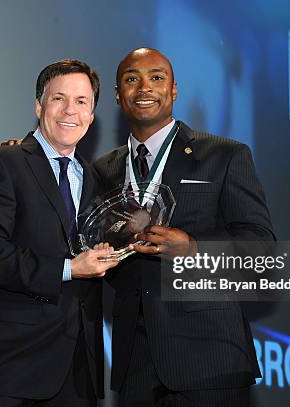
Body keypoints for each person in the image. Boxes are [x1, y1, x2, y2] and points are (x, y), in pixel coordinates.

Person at [93, 48, 275, 406]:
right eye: (132, 79)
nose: (144, 87)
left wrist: (194, 249)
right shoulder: (101, 171)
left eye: (156, 77)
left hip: (211, 357)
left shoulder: (225, 154)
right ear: (118, 95)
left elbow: (262, 250)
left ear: (173, 90)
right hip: (135, 363)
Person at [0, 59, 118, 407]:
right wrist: (69, 268)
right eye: (58, 98)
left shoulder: (97, 181)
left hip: (79, 376)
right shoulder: (1, 163)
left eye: (81, 102)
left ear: (92, 115)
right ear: (38, 106)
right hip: (10, 370)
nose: (69, 111)